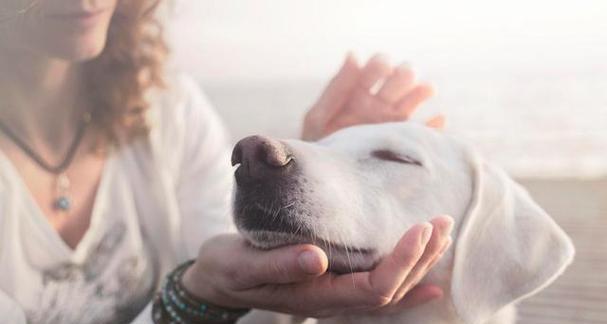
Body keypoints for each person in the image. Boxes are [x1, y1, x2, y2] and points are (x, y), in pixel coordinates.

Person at [0, 0, 453, 323]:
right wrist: (193, 298)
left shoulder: (166, 108)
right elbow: (218, 284)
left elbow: (252, 305)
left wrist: (311, 177)